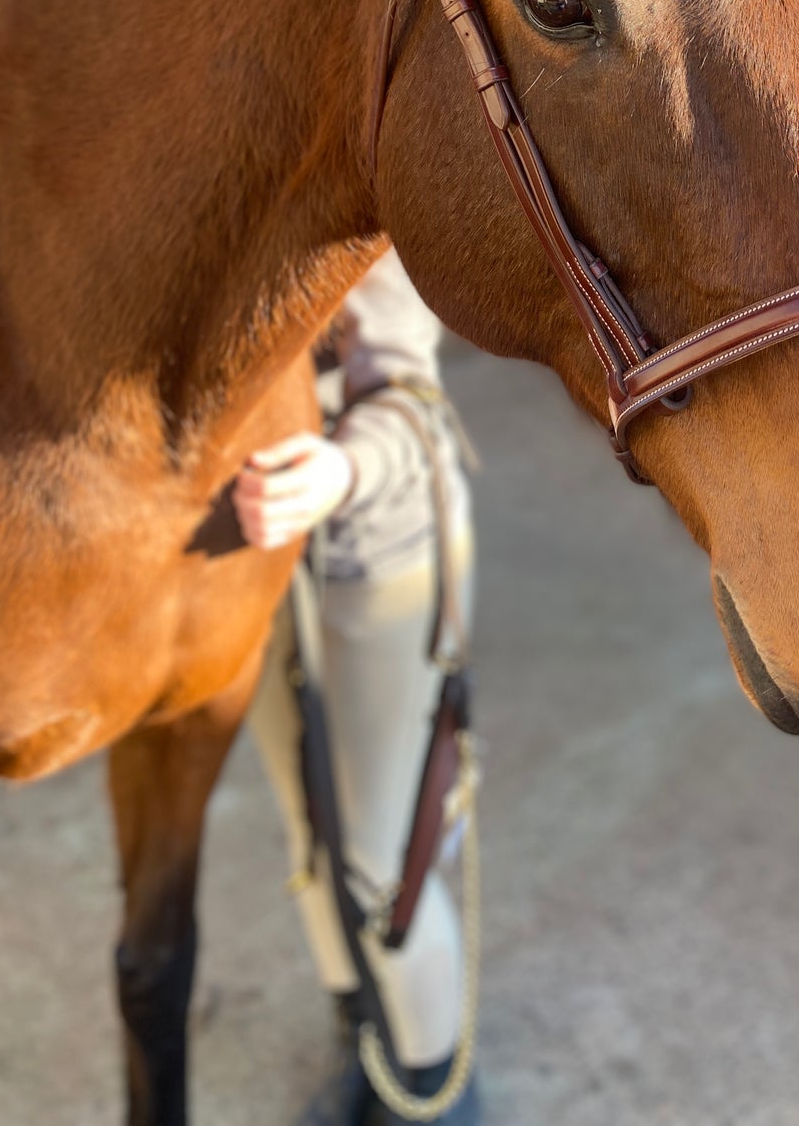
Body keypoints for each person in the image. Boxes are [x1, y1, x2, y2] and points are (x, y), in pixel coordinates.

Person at [240, 250, 479, 1126]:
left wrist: (338, 473)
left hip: (382, 553)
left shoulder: (358, 189)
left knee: (385, 863)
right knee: (312, 840)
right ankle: (368, 1040)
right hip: (258, 572)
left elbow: (412, 394)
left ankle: (431, 1084)